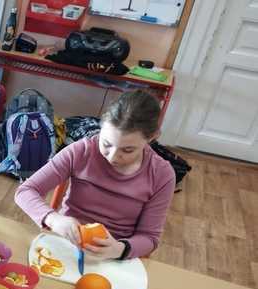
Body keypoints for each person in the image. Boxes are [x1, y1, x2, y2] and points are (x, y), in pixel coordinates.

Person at [15, 90, 175, 260]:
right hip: (67, 244)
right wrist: (53, 219)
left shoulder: (162, 175)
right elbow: (25, 191)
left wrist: (119, 249)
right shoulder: (81, 151)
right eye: (106, 143)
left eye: (128, 150)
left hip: (115, 255)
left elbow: (149, 237)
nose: (112, 157)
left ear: (152, 137)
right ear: (101, 126)